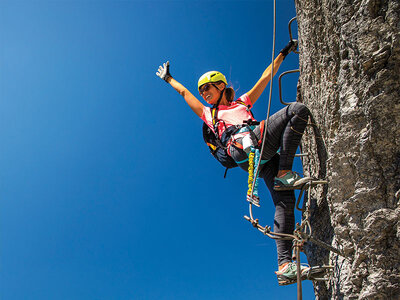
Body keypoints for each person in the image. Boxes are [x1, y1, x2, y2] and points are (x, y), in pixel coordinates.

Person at [156, 41, 311, 285]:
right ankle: (284, 172)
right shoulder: (210, 114)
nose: (204, 93)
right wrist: (169, 79)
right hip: (244, 147)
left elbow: (266, 76)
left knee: (285, 201)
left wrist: (283, 51)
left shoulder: (243, 102)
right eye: (202, 90)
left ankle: (285, 265)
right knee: (297, 110)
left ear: (221, 86)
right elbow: (185, 93)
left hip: (258, 157)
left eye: (208, 88)